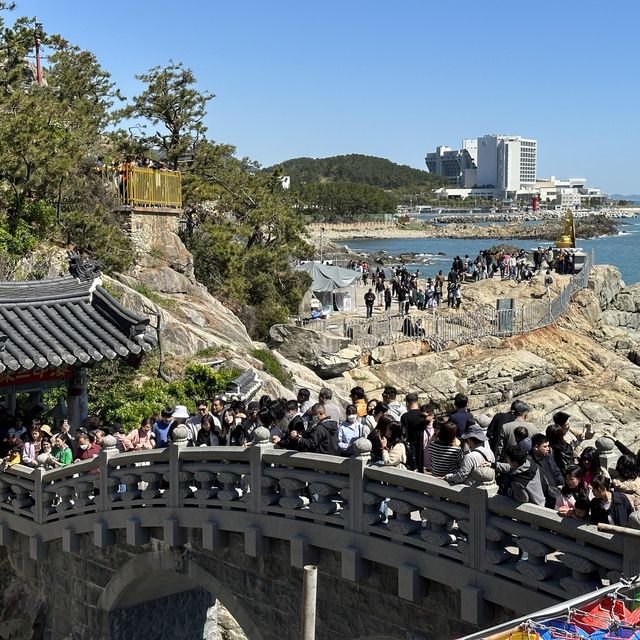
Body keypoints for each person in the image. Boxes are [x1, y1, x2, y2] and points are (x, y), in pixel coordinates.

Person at [529, 433, 564, 508]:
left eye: (548, 446)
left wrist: (562, 484)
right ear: (536, 447)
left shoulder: (548, 456)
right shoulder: (529, 462)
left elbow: (557, 471)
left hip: (555, 493)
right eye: (545, 446)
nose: (548, 448)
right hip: (542, 497)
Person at [401, 393, 426, 473]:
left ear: (407, 403)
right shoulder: (423, 415)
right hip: (424, 445)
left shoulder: (405, 416)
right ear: (417, 402)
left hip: (411, 446)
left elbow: (403, 433)